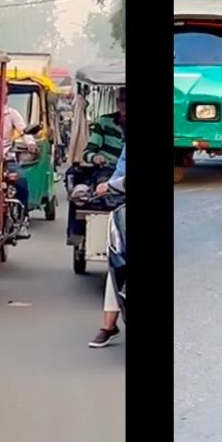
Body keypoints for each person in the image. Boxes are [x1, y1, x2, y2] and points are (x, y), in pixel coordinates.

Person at [89, 143, 125, 348]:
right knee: (118, 260)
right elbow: (121, 170)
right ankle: (108, 325)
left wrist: (111, 186)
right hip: (122, 204)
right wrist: (109, 187)